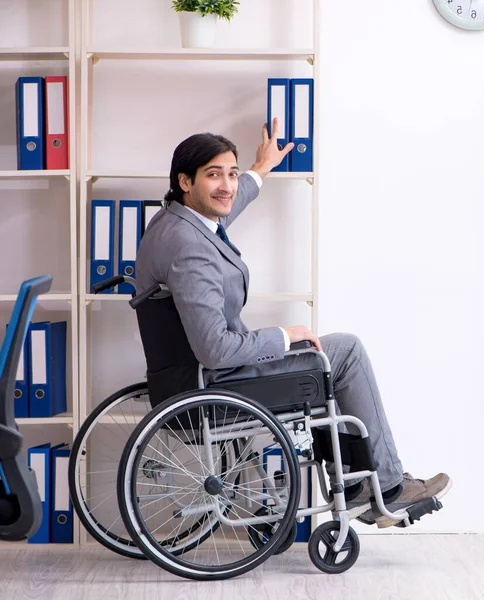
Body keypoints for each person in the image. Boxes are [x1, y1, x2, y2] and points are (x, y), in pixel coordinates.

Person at [135, 119, 452, 528]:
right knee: (344, 352)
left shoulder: (175, 222)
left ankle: (357, 486)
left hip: (185, 379)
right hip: (215, 385)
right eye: (214, 175)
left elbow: (227, 205)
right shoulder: (190, 246)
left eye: (231, 174)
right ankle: (386, 489)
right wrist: (284, 335)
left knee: (320, 358)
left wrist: (259, 169)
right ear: (185, 181)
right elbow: (214, 349)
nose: (227, 186)